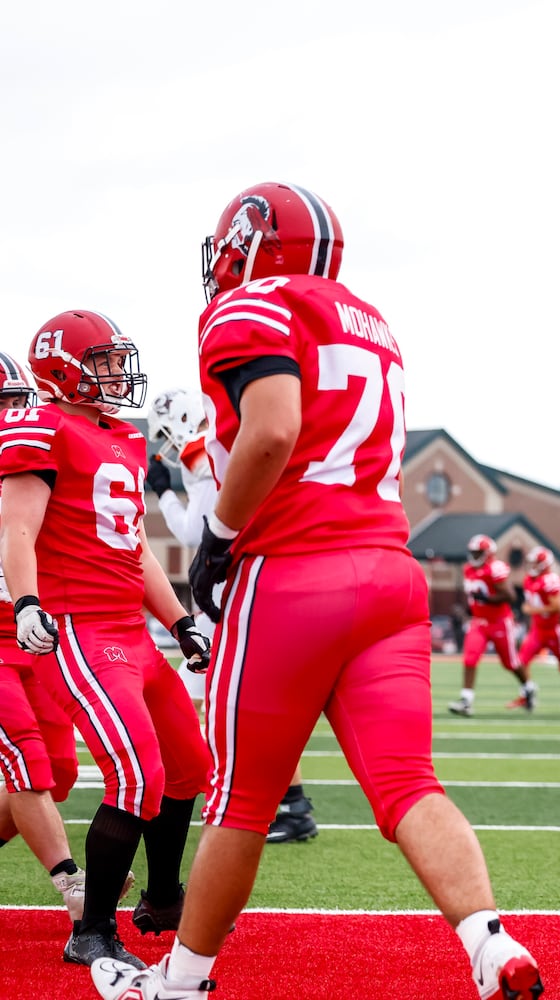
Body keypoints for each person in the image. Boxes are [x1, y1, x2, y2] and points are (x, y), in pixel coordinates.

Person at [90, 183, 540, 999]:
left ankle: (182, 981)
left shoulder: (253, 304)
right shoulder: (369, 321)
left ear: (254, 243)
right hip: (391, 574)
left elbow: (272, 430)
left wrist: (219, 541)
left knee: (241, 800)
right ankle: (490, 943)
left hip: (296, 573)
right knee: (408, 783)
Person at [2, 313, 212, 969]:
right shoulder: (41, 427)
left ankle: (163, 895)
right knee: (135, 773)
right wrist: (29, 601)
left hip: (131, 631)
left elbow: (136, 549)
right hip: (82, 631)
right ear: (63, 366)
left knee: (189, 764)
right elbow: (16, 527)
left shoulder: (121, 434)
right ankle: (91, 929)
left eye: (117, 360)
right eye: (103, 362)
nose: (118, 373)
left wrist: (179, 622)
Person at [147, 388, 319, 845]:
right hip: (245, 586)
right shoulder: (221, 443)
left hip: (225, 592)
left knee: (206, 697)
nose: (164, 442)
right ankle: (290, 803)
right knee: (240, 701)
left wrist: (163, 496)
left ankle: (201, 792)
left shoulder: (202, 455)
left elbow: (194, 534)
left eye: (166, 430)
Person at [0, 354, 99, 925]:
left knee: (57, 769)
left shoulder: (33, 466)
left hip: (31, 639)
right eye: (3, 404)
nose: (15, 415)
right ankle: (71, 882)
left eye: (19, 401)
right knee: (27, 762)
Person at [449, 533, 535, 717]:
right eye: (473, 552)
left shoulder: (495, 568)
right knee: (470, 658)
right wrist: (468, 609)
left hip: (500, 623)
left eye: (478, 552)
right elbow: (474, 597)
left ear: (488, 553)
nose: (474, 555)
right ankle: (466, 700)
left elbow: (511, 597)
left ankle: (528, 688)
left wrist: (487, 598)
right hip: (479, 622)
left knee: (510, 663)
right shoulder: (468, 569)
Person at [520, 546, 560, 713]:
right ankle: (528, 691)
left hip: (554, 630)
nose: (532, 566)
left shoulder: (550, 580)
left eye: (535, 563)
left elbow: (557, 606)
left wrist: (532, 610)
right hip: (537, 629)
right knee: (521, 661)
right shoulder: (529, 579)